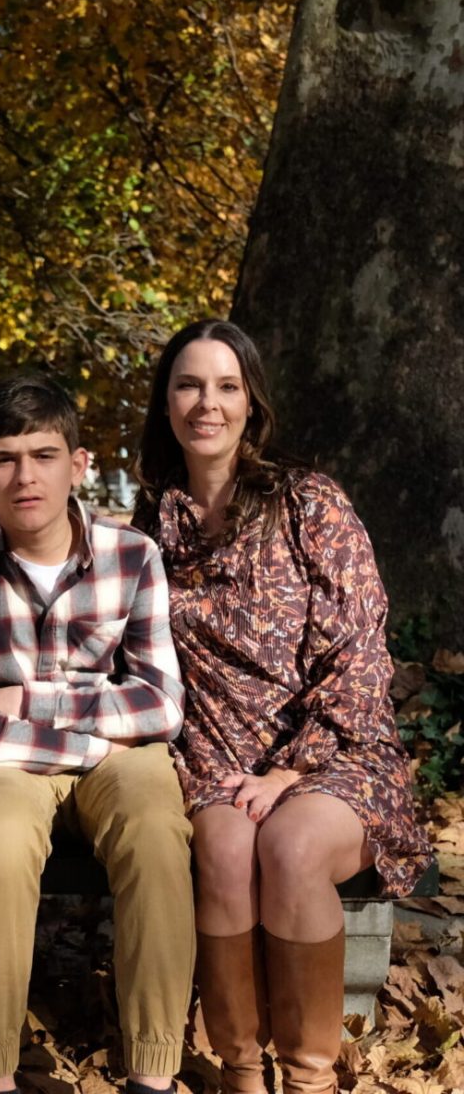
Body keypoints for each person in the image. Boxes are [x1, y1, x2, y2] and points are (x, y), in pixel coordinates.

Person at [131, 319, 433, 1094]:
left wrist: (292, 769)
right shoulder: (149, 525)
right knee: (228, 853)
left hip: (337, 752)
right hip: (214, 762)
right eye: (190, 385)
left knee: (292, 851)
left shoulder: (310, 504)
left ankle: (307, 1079)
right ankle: (240, 1073)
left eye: (227, 386)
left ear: (252, 404)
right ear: (166, 403)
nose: (208, 403)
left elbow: (361, 653)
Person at [0, 371, 193, 1094]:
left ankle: (152, 1073)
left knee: (158, 829)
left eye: (44, 455)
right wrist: (96, 728)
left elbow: (163, 704)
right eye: (4, 458)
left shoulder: (133, 556)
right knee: (0, 844)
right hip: (5, 767)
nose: (24, 476)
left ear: (79, 464)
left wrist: (33, 700)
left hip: (114, 761)